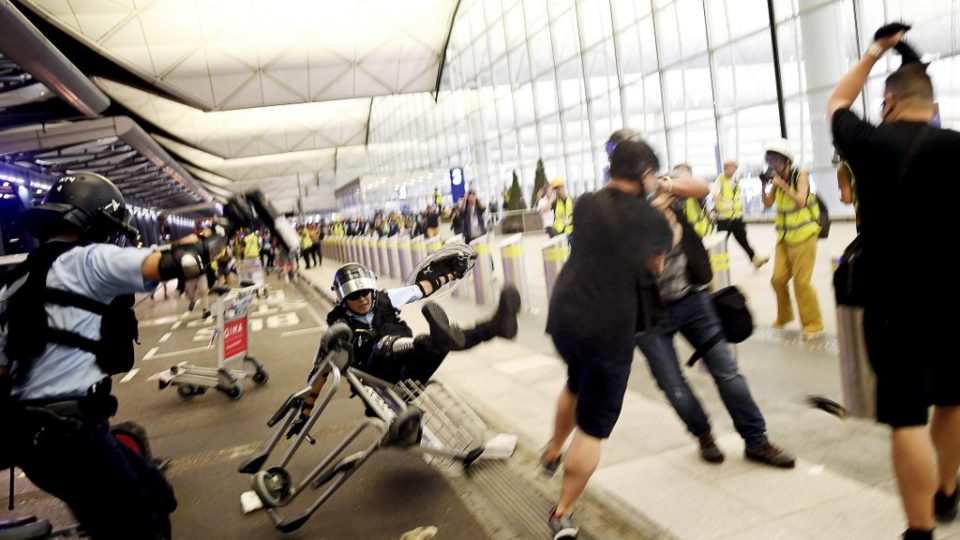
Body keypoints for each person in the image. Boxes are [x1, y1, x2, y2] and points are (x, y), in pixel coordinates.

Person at [0, 172, 234, 538]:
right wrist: (226, 227)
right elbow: (183, 262)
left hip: (35, 439)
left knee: (155, 493)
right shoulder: (89, 260)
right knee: (139, 528)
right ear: (95, 220)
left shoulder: (18, 280)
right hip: (72, 438)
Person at [828, 25, 960, 540]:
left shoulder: (868, 143)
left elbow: (839, 99)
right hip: (955, 301)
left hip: (893, 307)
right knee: (951, 400)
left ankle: (920, 530)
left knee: (906, 416)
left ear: (888, 101)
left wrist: (874, 51)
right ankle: (947, 493)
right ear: (931, 103)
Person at [540, 132, 673, 540]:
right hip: (607, 328)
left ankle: (551, 451)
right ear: (647, 175)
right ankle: (563, 511)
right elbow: (656, 268)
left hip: (565, 316)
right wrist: (664, 218)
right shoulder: (651, 218)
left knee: (575, 382)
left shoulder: (585, 203)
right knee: (593, 427)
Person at [637, 171, 795, 469]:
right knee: (673, 385)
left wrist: (666, 186)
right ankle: (703, 435)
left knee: (727, 372)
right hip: (648, 316)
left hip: (693, 300)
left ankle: (756, 440)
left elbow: (701, 188)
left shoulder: (663, 189)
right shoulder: (620, 208)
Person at [287, 260, 521, 437]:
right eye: (355, 296)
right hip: (378, 385)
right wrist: (305, 412)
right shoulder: (339, 326)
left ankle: (496, 326)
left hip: (408, 372)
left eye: (365, 292)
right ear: (343, 298)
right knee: (384, 345)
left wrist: (451, 273)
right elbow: (320, 372)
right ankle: (432, 339)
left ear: (372, 288)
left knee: (441, 343)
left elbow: (421, 288)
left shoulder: (385, 298)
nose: (362, 299)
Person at [760, 138, 825, 341]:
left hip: (805, 236)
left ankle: (814, 324)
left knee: (801, 283)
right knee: (777, 279)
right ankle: (785, 315)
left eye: (775, 160)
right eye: (769, 160)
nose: (772, 164)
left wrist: (782, 184)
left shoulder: (800, 175)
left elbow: (800, 202)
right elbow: (768, 204)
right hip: (785, 238)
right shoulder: (776, 179)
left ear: (786, 160)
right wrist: (765, 186)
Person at [713, 160, 768, 268]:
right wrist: (729, 205)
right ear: (725, 168)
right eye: (731, 167)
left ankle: (754, 259)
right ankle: (714, 266)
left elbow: (736, 197)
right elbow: (716, 196)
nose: (733, 170)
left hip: (736, 218)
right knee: (720, 244)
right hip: (724, 219)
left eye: (735, 167)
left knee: (743, 240)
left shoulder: (736, 180)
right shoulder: (720, 181)